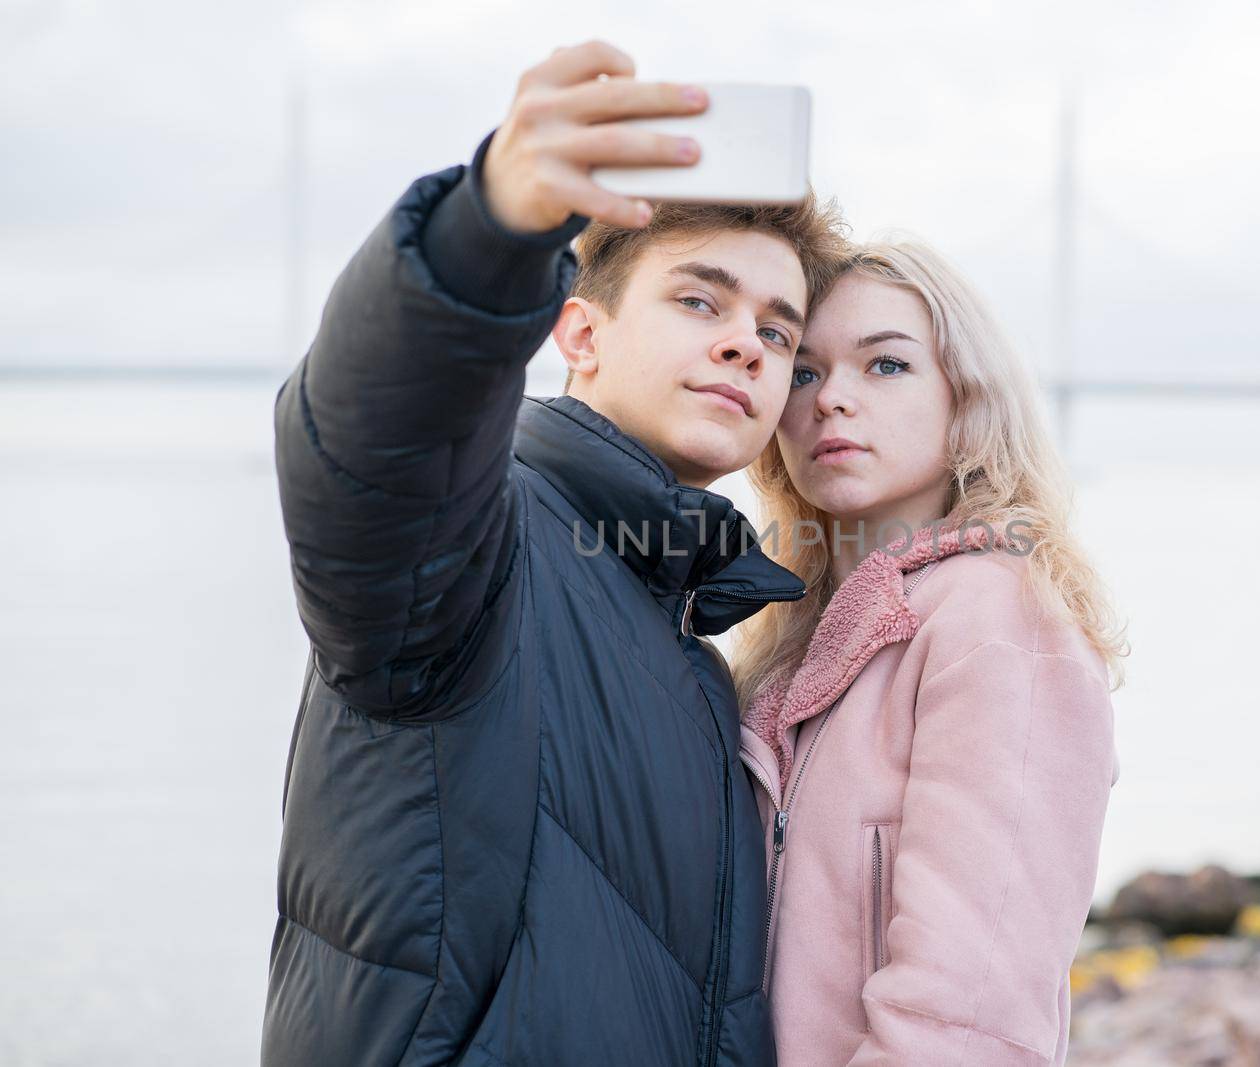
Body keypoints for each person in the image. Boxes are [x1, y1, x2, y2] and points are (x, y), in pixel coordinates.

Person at [264, 39, 851, 1065]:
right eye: (699, 300)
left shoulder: (688, 634)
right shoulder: (482, 544)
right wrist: (484, 232)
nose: (745, 346)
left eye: (777, 334)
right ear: (577, 332)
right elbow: (376, 446)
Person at [731, 237, 1127, 1065]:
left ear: (968, 399)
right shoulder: (793, 640)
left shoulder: (1000, 622)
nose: (832, 399)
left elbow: (969, 1016)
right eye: (803, 371)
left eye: (886, 366)